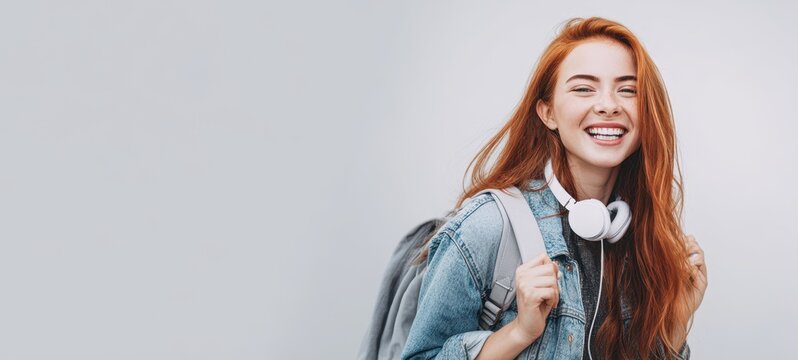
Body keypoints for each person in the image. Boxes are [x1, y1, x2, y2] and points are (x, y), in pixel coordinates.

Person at [400, 17, 707, 360]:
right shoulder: (488, 227)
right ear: (548, 114)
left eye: (628, 89)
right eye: (583, 88)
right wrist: (519, 333)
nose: (609, 104)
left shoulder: (639, 241)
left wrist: (674, 329)